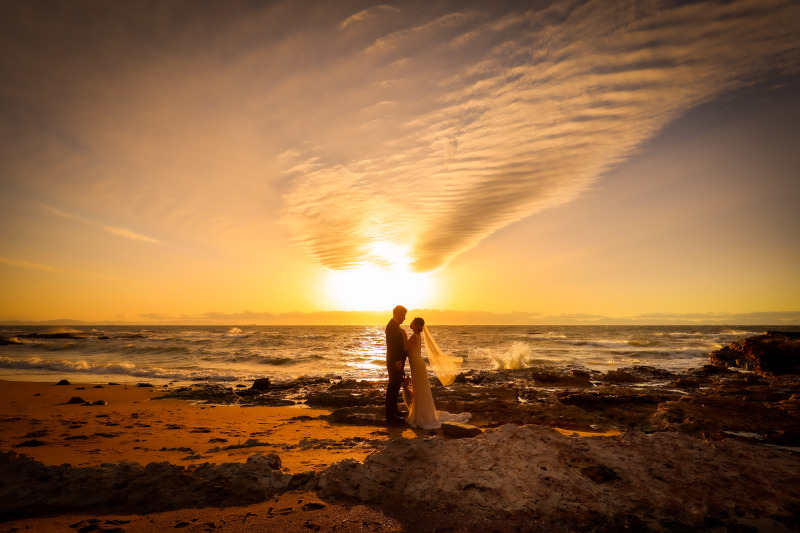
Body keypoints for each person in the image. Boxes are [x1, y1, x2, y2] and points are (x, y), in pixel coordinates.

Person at [402, 316, 471, 430]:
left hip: (417, 365)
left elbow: (405, 348)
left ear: (417, 325)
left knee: (419, 390)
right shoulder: (416, 336)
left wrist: (403, 335)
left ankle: (421, 416)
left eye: (412, 322)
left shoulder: (414, 336)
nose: (410, 323)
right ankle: (422, 414)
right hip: (417, 365)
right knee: (420, 390)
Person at [384, 305, 408, 425]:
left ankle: (394, 410)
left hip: (397, 361)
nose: (404, 318)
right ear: (398, 314)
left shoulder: (395, 326)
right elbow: (393, 346)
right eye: (403, 315)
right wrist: (398, 361)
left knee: (396, 385)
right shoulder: (391, 327)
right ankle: (390, 416)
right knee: (392, 387)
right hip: (394, 361)